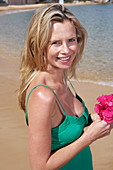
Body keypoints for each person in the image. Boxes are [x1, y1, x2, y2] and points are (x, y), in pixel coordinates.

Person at [18, 3, 112, 170]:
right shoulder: (42, 95)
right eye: (55, 43)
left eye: (71, 40)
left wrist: (94, 119)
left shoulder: (62, 77)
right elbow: (39, 166)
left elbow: (64, 128)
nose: (66, 50)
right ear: (40, 45)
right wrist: (88, 137)